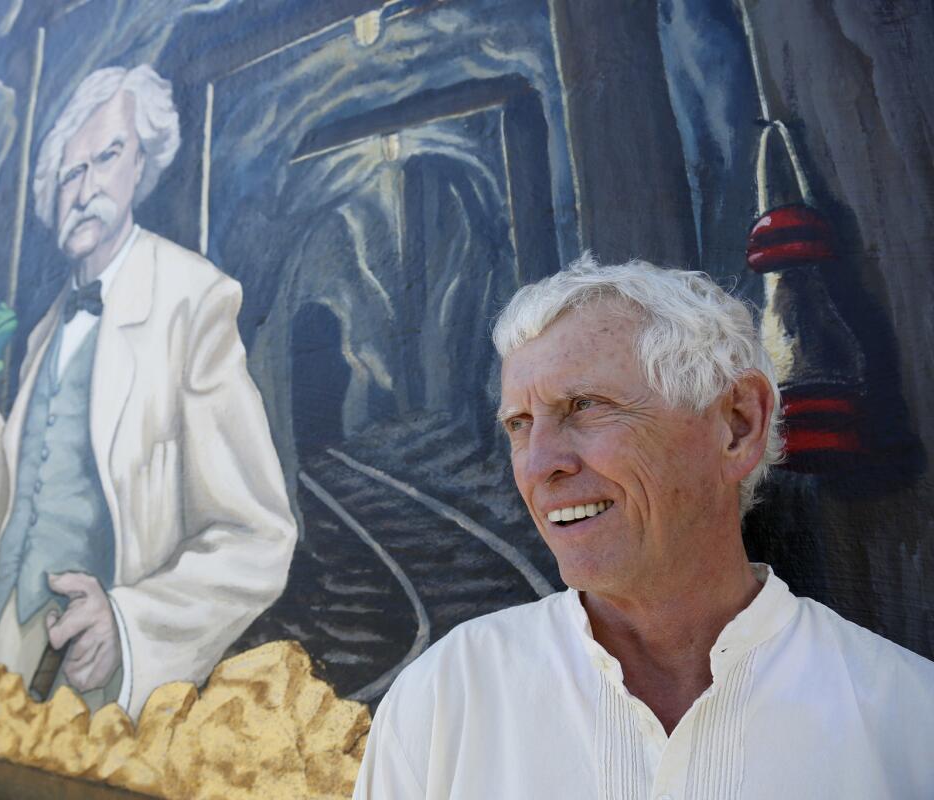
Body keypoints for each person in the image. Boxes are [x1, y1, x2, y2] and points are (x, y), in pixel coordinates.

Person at [353, 254, 934, 798]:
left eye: (584, 406)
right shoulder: (444, 701)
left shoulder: (906, 720)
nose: (538, 465)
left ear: (737, 426)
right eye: (520, 424)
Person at [0, 65, 297, 718]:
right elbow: (25, 513)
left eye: (107, 157)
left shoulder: (193, 301)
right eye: (69, 172)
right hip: (8, 667)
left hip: (109, 689)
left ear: (143, 164)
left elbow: (257, 534)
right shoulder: (49, 325)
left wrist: (129, 623)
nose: (85, 188)